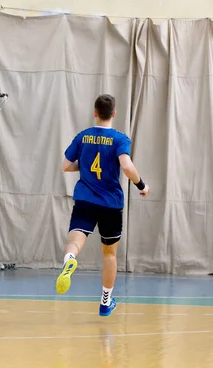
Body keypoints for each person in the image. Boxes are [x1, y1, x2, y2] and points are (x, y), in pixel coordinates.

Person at [58, 94, 149, 317]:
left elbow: (66, 166)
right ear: (114, 114)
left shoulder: (83, 136)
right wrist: (141, 185)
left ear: (95, 112)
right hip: (110, 204)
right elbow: (126, 166)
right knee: (109, 254)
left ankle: (69, 261)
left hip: (85, 199)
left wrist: (87, 167)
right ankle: (105, 301)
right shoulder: (119, 139)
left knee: (75, 240)